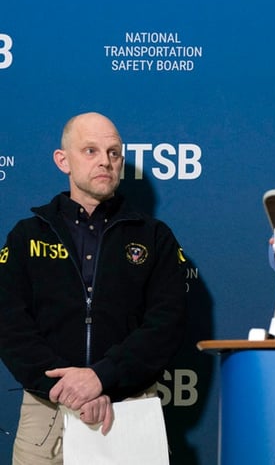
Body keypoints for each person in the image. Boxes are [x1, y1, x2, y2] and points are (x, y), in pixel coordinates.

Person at [0, 112, 188, 464]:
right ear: (63, 160)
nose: (105, 160)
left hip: (129, 411)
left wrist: (102, 378)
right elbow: (10, 326)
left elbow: (166, 325)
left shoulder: (154, 237)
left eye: (114, 153)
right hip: (46, 413)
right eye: (90, 150)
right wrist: (71, 390)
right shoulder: (26, 236)